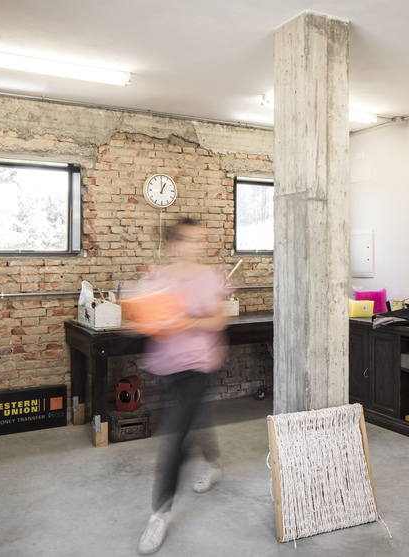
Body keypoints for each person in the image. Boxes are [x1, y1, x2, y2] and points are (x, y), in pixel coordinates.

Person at [137, 217, 233, 555]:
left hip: (199, 365)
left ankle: (159, 514)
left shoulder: (210, 277)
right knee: (196, 420)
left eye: (201, 239)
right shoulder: (159, 278)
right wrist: (150, 318)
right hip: (167, 366)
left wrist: (186, 319)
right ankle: (214, 463)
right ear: (174, 244)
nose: (197, 245)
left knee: (176, 436)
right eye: (190, 239)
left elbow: (219, 318)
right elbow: (147, 321)